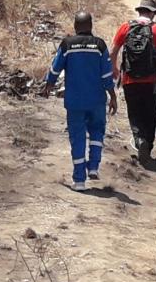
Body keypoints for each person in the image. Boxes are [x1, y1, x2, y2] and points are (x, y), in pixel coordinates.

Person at [42, 11, 118, 191]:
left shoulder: (67, 45)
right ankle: (93, 167)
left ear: (75, 26)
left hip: (75, 101)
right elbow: (107, 75)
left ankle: (79, 181)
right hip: (97, 100)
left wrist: (49, 85)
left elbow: (55, 68)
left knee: (78, 138)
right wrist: (112, 96)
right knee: (97, 132)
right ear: (91, 26)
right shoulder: (99, 45)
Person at [111, 0, 156, 166]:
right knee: (150, 114)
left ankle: (139, 140)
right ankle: (147, 147)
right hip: (152, 81)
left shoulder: (126, 27)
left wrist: (114, 69)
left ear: (139, 11)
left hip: (130, 79)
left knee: (134, 113)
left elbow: (113, 51)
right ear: (153, 13)